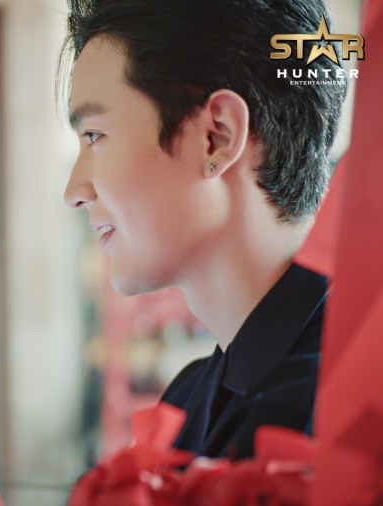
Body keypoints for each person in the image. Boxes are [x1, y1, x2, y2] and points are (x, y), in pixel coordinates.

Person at [60, 0, 346, 459]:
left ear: (218, 136)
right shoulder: (190, 396)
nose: (75, 192)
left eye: (95, 136)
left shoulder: (333, 413)